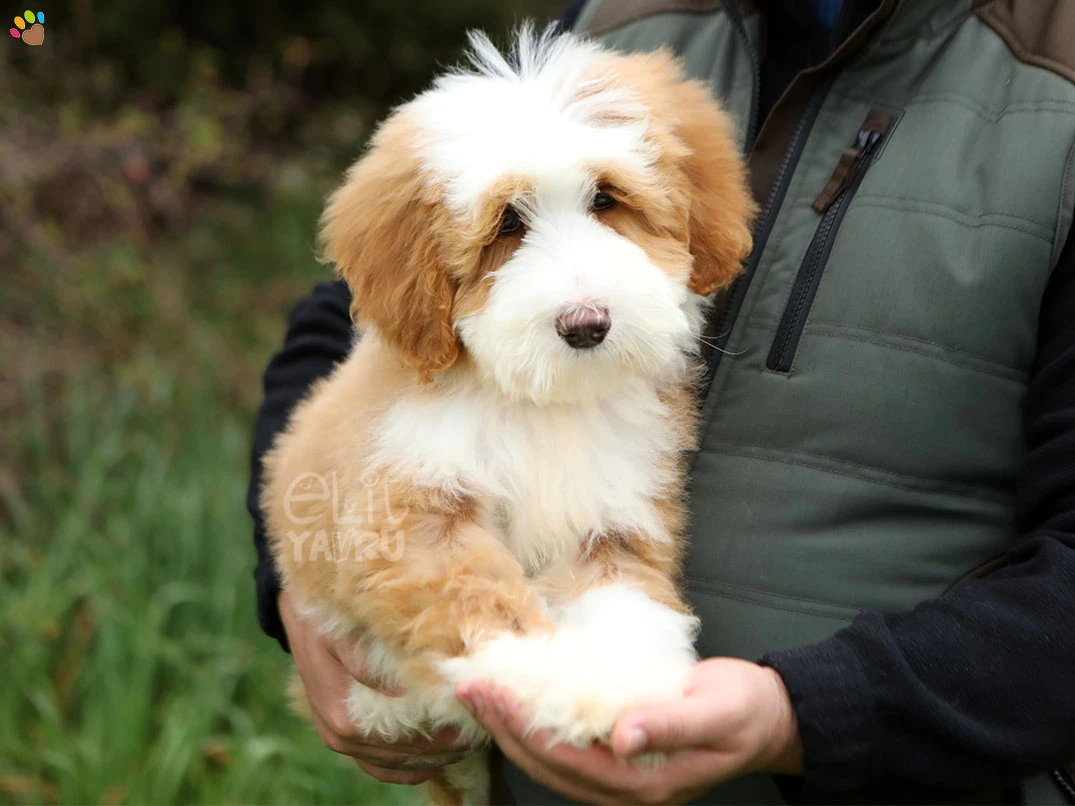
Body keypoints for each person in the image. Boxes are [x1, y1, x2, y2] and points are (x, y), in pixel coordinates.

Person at [246, 0, 1075, 802]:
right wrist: (305, 577)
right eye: (510, 229)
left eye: (607, 202)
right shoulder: (618, 17)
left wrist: (811, 712)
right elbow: (354, 320)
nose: (578, 289)